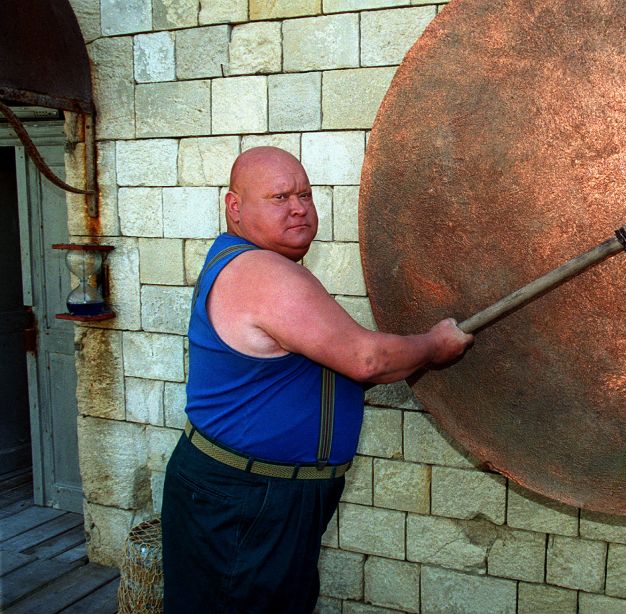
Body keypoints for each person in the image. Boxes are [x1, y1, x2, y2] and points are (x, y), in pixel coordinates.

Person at [160, 146, 473, 613]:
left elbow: (311, 370)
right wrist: (434, 344)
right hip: (243, 500)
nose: (298, 208)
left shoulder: (265, 266)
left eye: (305, 194)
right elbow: (365, 359)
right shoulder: (261, 272)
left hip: (259, 497)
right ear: (235, 207)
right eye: (279, 196)